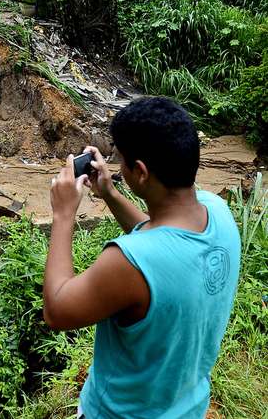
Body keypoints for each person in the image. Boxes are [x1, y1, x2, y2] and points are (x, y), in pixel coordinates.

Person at [45, 96, 240, 418]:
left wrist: (63, 214)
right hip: (187, 408)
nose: (118, 167)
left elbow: (57, 310)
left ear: (141, 171)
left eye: (122, 161)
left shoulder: (127, 260)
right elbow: (166, 242)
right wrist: (109, 193)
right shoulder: (218, 212)